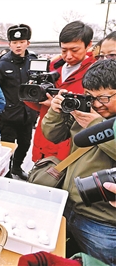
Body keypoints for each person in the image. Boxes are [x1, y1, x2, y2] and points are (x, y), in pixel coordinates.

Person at [41, 59, 116, 266]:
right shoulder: (87, 110)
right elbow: (52, 135)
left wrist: (97, 126)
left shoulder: (95, 117)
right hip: (68, 206)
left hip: (102, 222)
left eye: (105, 97)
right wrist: (55, 112)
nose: (97, 104)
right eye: (90, 97)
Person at [25, 21, 96, 163]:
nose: (68, 56)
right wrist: (33, 95)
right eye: (64, 50)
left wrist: (59, 105)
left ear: (88, 45)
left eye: (74, 50)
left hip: (72, 142)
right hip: (44, 138)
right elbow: (38, 106)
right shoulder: (51, 68)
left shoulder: (94, 73)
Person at [0, 24, 38, 180]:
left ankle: (17, 167)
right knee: (7, 147)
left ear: (28, 43)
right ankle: (6, 172)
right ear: (9, 44)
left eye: (22, 41)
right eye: (15, 42)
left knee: (25, 144)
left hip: (28, 113)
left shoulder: (33, 61)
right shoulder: (2, 64)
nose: (18, 45)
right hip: (9, 115)